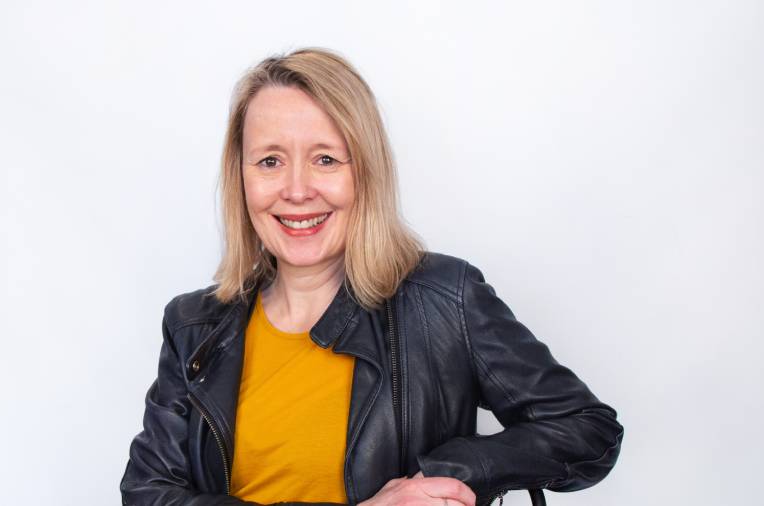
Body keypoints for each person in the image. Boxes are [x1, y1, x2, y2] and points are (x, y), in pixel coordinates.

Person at [119, 47, 623, 506]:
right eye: (270, 161)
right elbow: (147, 494)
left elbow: (587, 428)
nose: (296, 190)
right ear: (241, 176)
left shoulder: (444, 300)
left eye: (325, 159)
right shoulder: (193, 326)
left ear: (365, 171)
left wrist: (442, 476)